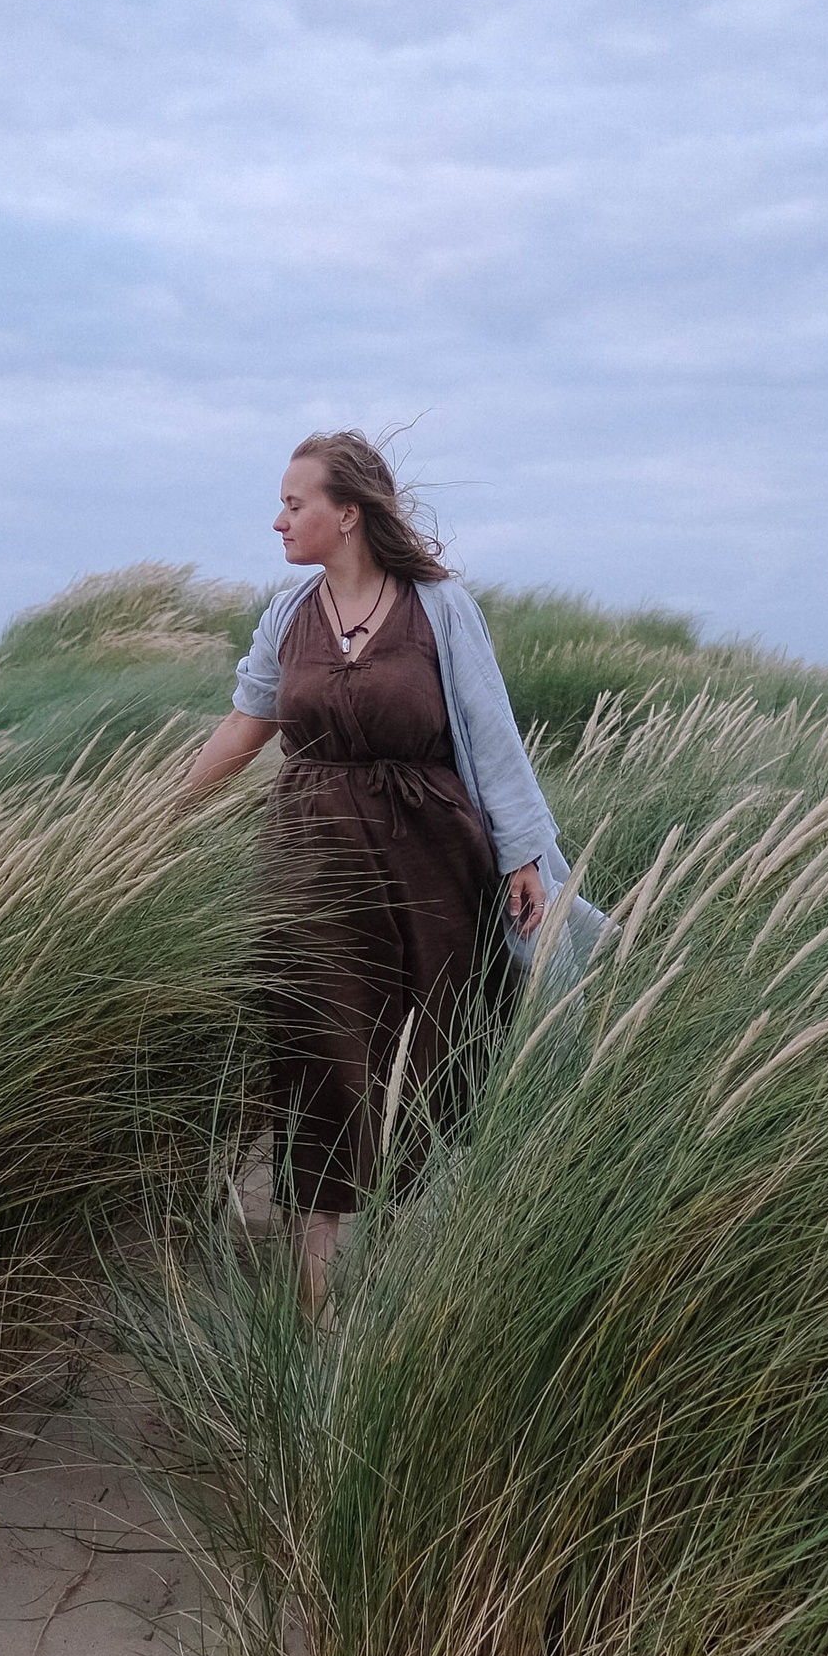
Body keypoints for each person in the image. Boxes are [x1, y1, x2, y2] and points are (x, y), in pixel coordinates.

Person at [180, 431, 601, 1301]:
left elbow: (492, 734)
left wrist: (523, 854)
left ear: (348, 513)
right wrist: (165, 810)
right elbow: (246, 724)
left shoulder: (439, 608)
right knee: (317, 1055)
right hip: (310, 867)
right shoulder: (288, 616)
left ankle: (411, 1281)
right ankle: (316, 1297)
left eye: (294, 503)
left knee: (431, 1057)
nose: (279, 520)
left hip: (431, 861)